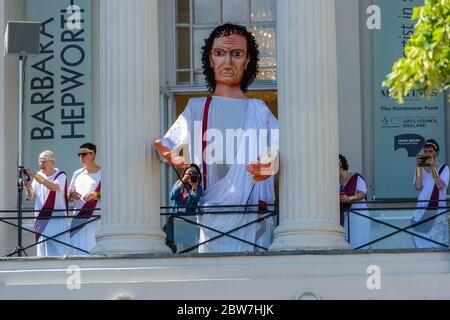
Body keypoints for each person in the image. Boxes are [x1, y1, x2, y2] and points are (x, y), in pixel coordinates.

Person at [154, 23, 279, 253]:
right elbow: (167, 145)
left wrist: (268, 166)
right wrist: (171, 156)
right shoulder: (196, 108)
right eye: (220, 53)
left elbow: (279, 149)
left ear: (247, 61)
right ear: (210, 59)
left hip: (251, 217)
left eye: (237, 54)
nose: (228, 63)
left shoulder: (259, 110)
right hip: (210, 216)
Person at [25, 151, 69, 257]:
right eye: (40, 162)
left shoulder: (60, 175)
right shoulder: (38, 176)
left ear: (52, 162)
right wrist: (28, 188)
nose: (41, 164)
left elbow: (53, 187)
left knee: (59, 250)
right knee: (43, 251)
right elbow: (30, 197)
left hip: (57, 219)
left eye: (44, 162)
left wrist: (35, 175)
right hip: (42, 219)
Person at [412, 139, 449, 249]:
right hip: (422, 208)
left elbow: (440, 185)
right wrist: (419, 169)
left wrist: (433, 168)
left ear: (436, 152)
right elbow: (418, 187)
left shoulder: (444, 168)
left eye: (431, 151)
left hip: (437, 209)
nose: (428, 154)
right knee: (421, 238)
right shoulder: (421, 168)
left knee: (438, 239)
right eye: (426, 151)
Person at [67, 143, 101, 255]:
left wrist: (95, 195)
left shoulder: (103, 172)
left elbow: (111, 194)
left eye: (84, 154)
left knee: (93, 250)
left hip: (96, 219)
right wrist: (73, 194)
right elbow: (69, 194)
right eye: (79, 154)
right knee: (77, 251)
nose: (81, 157)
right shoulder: (77, 173)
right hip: (78, 218)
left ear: (93, 154)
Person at [164, 164, 203, 253]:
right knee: (172, 246)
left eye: (194, 173)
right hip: (176, 220)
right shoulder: (179, 183)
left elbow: (194, 203)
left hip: (188, 222)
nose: (191, 175)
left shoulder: (198, 187)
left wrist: (194, 187)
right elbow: (172, 196)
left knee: (187, 248)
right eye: (189, 172)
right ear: (185, 173)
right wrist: (183, 181)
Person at [339, 154, 370, 249]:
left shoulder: (356, 177)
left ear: (340, 163)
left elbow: (362, 193)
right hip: (343, 218)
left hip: (358, 216)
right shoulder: (333, 181)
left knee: (358, 244)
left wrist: (349, 199)